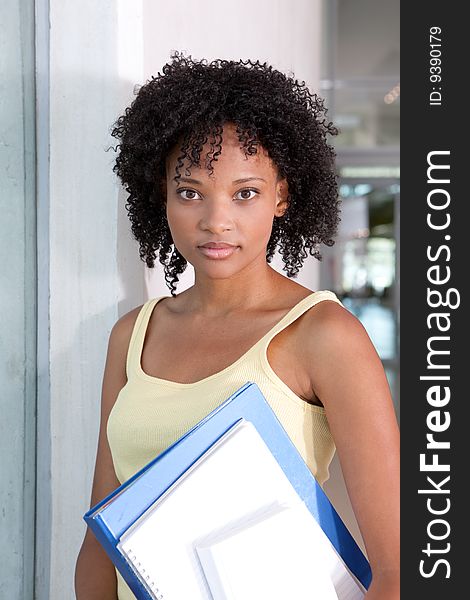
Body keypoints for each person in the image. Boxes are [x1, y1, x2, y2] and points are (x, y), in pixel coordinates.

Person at [75, 53, 400, 599]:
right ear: (162, 195)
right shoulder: (132, 335)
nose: (215, 220)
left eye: (245, 193)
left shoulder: (323, 335)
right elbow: (100, 545)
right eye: (190, 192)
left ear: (282, 195)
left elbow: (397, 569)